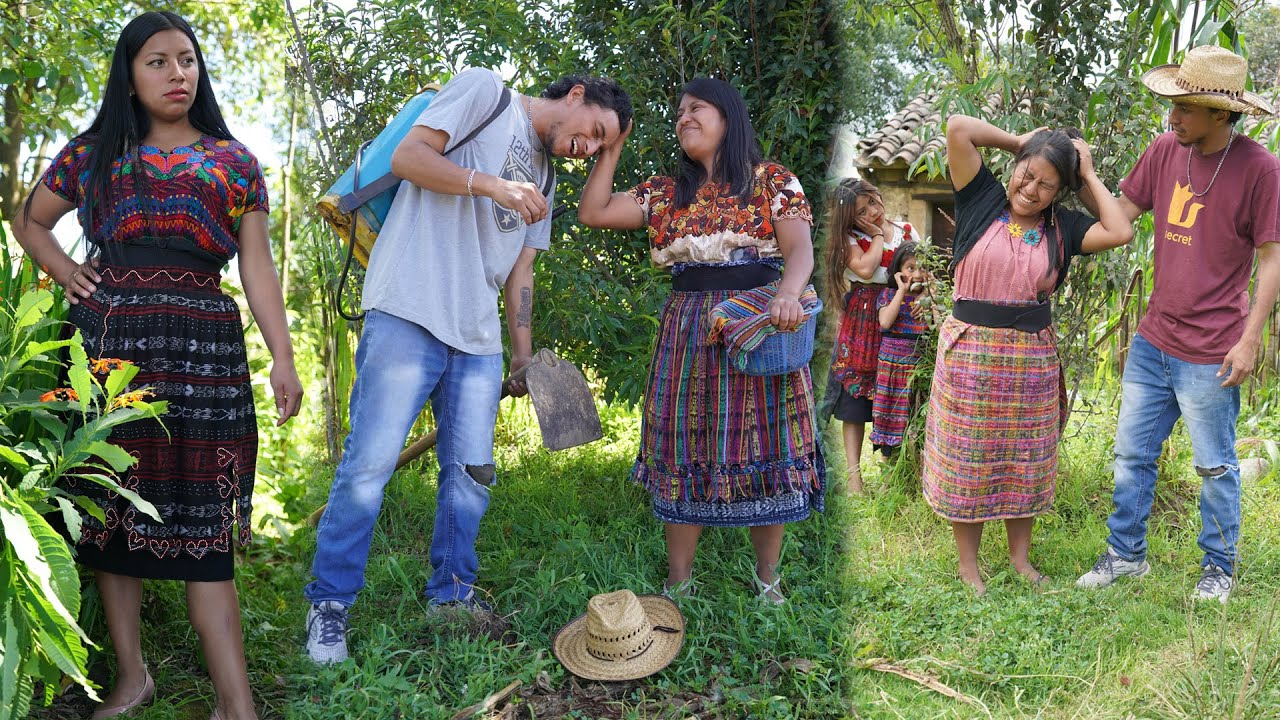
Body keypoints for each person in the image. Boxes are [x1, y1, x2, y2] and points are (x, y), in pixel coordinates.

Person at [11, 12, 300, 720]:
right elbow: (30, 218)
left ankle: (238, 706)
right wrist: (67, 270)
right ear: (130, 77)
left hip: (206, 354)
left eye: (188, 60)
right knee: (110, 513)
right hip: (109, 350)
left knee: (204, 522)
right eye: (158, 62)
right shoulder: (96, 153)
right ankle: (133, 678)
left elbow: (257, 267)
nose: (178, 74)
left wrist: (285, 361)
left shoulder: (235, 163)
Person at [302, 68, 632, 664]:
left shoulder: (551, 178)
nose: (587, 150)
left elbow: (521, 272)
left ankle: (451, 595)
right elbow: (409, 157)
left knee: (472, 478)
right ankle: (329, 608)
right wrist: (492, 185)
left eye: (601, 149)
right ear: (577, 95)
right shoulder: (486, 93)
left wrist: (524, 356)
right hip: (407, 307)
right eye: (594, 133)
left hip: (478, 339)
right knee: (369, 467)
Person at [577, 77, 825, 604]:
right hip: (688, 329)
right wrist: (613, 147)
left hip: (759, 322)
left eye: (697, 108)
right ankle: (678, 583)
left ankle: (768, 582)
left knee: (770, 443)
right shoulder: (666, 193)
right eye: (679, 111)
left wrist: (788, 295)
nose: (683, 117)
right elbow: (593, 211)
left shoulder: (771, 181)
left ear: (728, 118)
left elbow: (799, 250)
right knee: (682, 444)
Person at [1076, 46, 1280, 603]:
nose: (1173, 118)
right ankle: (1125, 555)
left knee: (1214, 465)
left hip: (1213, 348)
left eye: (1185, 108)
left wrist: (1250, 338)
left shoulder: (1261, 169)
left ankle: (1219, 567)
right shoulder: (1166, 149)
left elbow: (1271, 258)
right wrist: (1084, 175)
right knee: (1132, 454)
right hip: (1154, 338)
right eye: (1173, 106)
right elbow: (1120, 214)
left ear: (1222, 114)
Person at [924, 114, 1133, 595]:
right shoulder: (981, 199)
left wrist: (1089, 174)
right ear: (1014, 166)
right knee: (968, 459)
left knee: (1026, 460)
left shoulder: (1064, 228)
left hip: (1030, 362)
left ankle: (1021, 561)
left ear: (1060, 192)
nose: (1031, 188)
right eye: (1027, 173)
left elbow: (1119, 230)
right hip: (971, 358)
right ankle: (968, 566)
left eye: (1047, 184)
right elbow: (958, 127)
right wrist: (1031, 140)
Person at [821, 179, 921, 492]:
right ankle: (854, 478)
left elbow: (920, 268)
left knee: (893, 394)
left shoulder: (905, 230)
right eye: (862, 211)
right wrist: (877, 236)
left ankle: (892, 472)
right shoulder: (849, 239)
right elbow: (865, 270)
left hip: (898, 316)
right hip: (862, 320)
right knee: (855, 401)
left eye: (873, 204)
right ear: (850, 219)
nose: (873, 213)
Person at [868, 241, 937, 454]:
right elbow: (885, 323)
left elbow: (940, 328)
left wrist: (931, 295)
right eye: (910, 268)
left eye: (923, 267)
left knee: (914, 416)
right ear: (898, 271)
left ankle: (912, 467)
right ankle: (888, 471)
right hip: (892, 371)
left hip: (916, 372)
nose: (917, 273)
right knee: (889, 417)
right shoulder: (888, 296)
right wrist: (901, 291)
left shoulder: (927, 301)